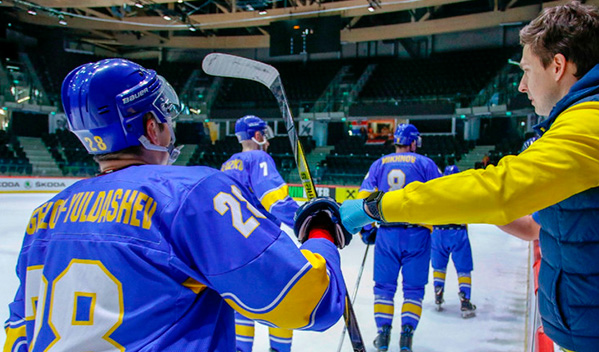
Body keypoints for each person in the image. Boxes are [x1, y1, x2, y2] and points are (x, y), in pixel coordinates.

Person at [3, 59, 351, 352]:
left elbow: (19, 331)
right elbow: (308, 299)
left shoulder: (44, 217)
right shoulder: (191, 192)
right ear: (151, 128)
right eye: (164, 118)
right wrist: (319, 231)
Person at [340, 2, 599, 351]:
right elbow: (535, 225)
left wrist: (376, 208)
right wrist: (476, 206)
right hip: (595, 329)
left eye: (526, 70)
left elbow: (499, 190)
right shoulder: (589, 123)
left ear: (557, 66)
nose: (522, 86)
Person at [357, 123, 441, 352]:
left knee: (383, 287)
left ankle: (383, 335)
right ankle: (407, 336)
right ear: (413, 143)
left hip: (386, 233)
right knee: (413, 288)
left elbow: (364, 197)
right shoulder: (425, 163)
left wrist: (366, 229)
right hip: (418, 234)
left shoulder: (379, 164)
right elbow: (440, 195)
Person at [221, 115, 299, 352]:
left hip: (234, 249)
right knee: (282, 302)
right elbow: (274, 199)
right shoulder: (260, 158)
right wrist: (306, 219)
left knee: (243, 306)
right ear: (258, 135)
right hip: (262, 246)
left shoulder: (227, 164)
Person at [431, 160, 476, 318]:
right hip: (458, 232)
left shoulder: (436, 191)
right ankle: (465, 299)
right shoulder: (463, 192)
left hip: (438, 233)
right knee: (463, 268)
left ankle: (438, 292)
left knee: (439, 267)